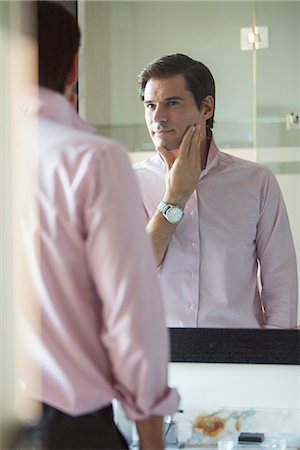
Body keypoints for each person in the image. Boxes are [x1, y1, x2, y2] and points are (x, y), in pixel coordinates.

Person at [18, 3, 179, 450]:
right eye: (150, 104)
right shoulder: (91, 160)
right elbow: (130, 312)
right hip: (64, 427)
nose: (158, 116)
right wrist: (151, 430)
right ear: (74, 66)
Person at [134, 53, 298, 329]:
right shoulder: (130, 182)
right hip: (160, 355)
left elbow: (281, 281)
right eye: (150, 105)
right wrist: (175, 198)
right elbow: (133, 273)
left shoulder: (256, 181)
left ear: (206, 107)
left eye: (172, 103)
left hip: (242, 355)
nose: (158, 117)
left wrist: (273, 358)